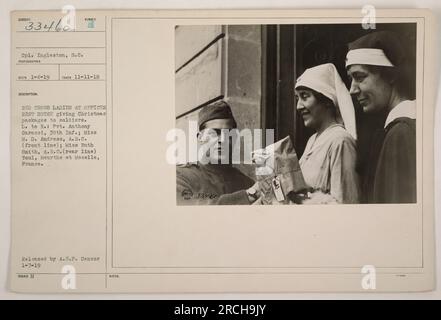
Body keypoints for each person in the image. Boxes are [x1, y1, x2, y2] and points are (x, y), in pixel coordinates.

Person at [346, 31, 416, 203]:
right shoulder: (399, 127)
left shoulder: (401, 132)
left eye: (360, 77)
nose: (352, 90)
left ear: (390, 75)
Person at [294, 63, 360, 204]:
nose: (298, 106)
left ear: (326, 100)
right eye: (297, 98)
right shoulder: (312, 140)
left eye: (305, 96)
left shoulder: (340, 141)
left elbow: (346, 205)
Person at [176, 101, 258, 205]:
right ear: (200, 138)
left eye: (228, 134)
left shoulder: (247, 183)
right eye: (214, 133)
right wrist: (248, 196)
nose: (222, 139)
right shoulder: (182, 176)